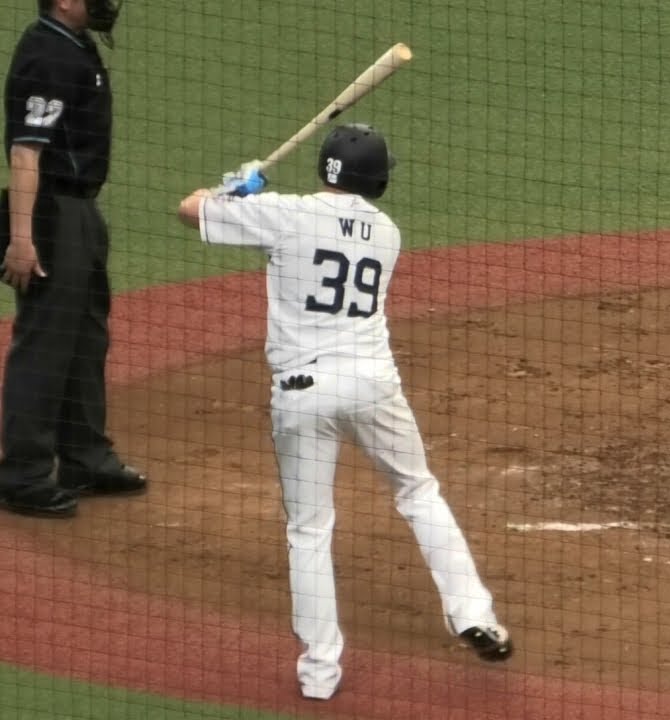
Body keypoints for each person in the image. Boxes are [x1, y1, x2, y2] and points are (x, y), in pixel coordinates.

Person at [176, 124, 513, 700]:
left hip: (303, 393)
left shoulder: (285, 214)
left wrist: (233, 191)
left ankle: (320, 671)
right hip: (373, 385)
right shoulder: (387, 232)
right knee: (418, 491)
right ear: (377, 181)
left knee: (309, 529)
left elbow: (189, 210)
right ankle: (473, 613)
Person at [0, 0, 146, 518]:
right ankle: (23, 475)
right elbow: (25, 152)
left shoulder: (74, 45)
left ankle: (85, 457)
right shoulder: (47, 55)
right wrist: (22, 239)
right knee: (46, 342)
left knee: (86, 335)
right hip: (51, 212)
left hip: (80, 209)